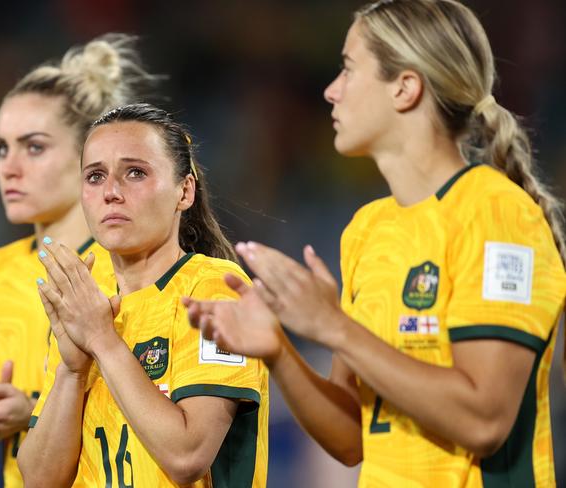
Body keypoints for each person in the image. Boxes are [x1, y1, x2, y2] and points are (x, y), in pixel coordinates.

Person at [184, 1, 566, 486]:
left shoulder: (498, 214)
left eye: (347, 68)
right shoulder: (369, 228)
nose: (331, 90)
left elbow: (484, 420)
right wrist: (278, 351)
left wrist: (335, 327)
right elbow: (350, 439)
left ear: (405, 88)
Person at [0, 34, 158, 487]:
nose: (8, 166)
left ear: (87, 155)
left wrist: (32, 412)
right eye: (2, 148)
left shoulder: (136, 265)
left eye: (34, 147)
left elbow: (166, 428)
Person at [17, 103, 269, 487]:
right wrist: (71, 370)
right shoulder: (87, 303)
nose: (111, 193)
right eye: (95, 176)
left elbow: (187, 456)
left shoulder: (214, 291)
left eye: (135, 173)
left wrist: (102, 340)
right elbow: (39, 479)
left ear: (184, 191)